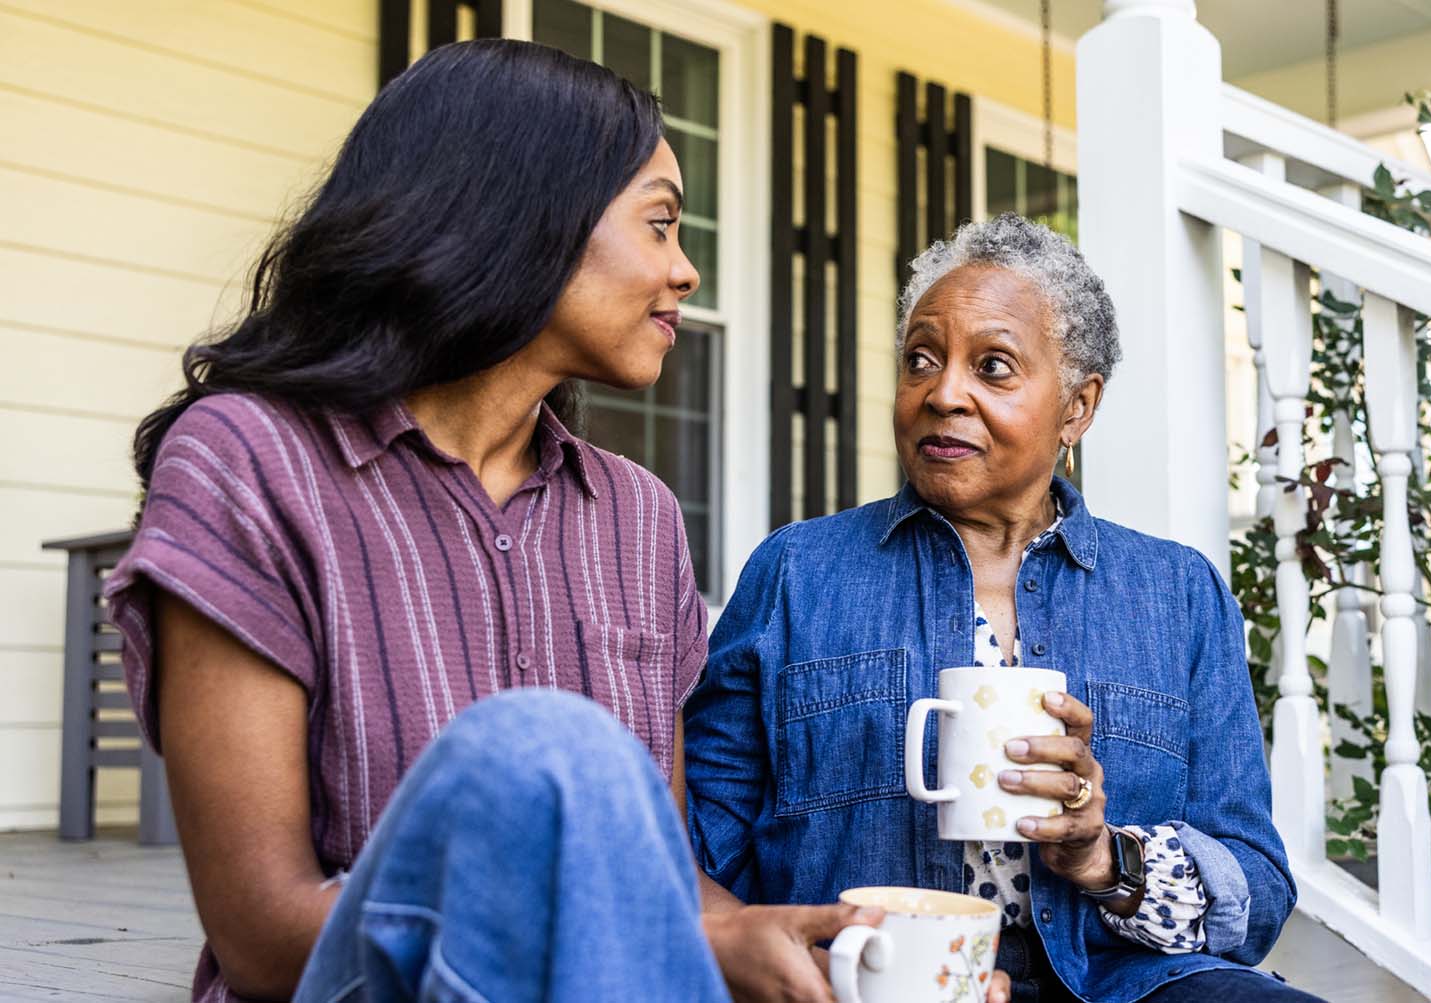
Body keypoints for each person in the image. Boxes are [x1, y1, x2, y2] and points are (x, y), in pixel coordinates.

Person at [107, 39, 902, 1003]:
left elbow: (663, 886)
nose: (686, 271)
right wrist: (609, 929)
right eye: (659, 224)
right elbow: (262, 936)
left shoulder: (638, 518)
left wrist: (775, 943)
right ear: (524, 218)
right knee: (543, 748)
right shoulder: (248, 461)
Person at [685, 214, 1320, 1002]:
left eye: (993, 366)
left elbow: (1254, 889)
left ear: (1077, 408)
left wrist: (1103, 857)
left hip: (1128, 985)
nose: (943, 393)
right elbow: (701, 848)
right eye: (922, 359)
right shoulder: (796, 573)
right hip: (879, 981)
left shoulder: (1177, 592)